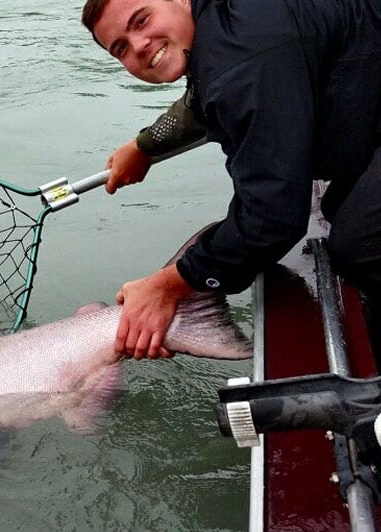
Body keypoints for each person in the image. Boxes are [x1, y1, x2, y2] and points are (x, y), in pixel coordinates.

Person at [81, 0, 381, 360]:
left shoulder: (240, 58)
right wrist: (145, 144)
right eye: (121, 48)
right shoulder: (224, 23)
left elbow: (272, 218)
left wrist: (171, 284)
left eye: (142, 20)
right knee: (339, 205)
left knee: (361, 243)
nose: (140, 45)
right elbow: (209, 93)